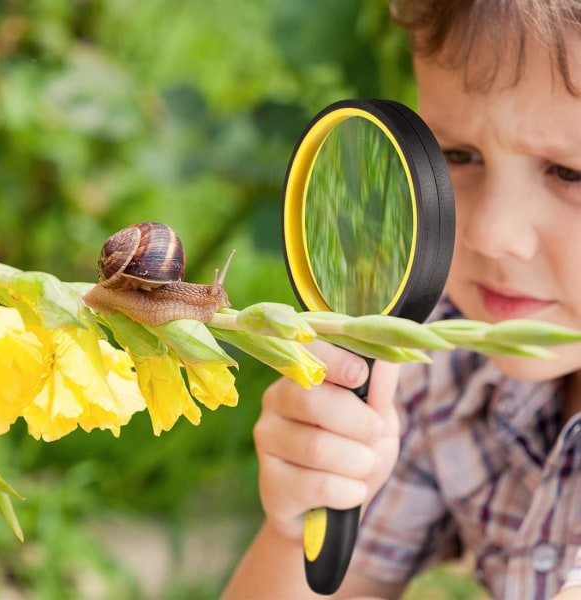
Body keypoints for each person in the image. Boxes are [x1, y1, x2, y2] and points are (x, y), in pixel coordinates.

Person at [223, 1, 581, 598]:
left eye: (571, 173)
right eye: (459, 156)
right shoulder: (435, 365)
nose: (491, 234)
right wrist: (302, 521)